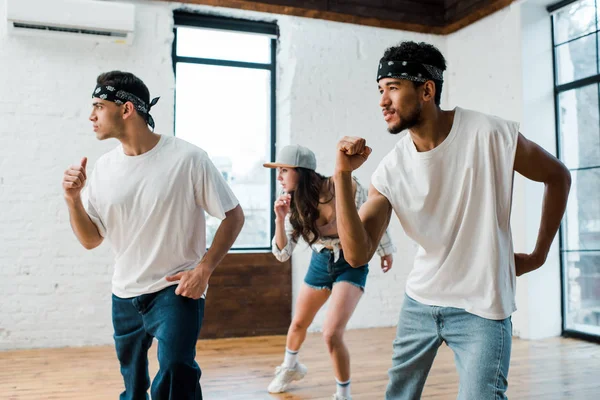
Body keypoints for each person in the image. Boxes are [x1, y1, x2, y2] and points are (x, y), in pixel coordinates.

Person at [333, 41, 571, 399]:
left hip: (483, 307)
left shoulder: (489, 134)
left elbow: (558, 176)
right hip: (420, 302)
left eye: (393, 88)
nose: (383, 101)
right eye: (381, 90)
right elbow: (356, 255)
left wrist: (538, 255)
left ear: (427, 90)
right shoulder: (391, 170)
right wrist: (341, 175)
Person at [62, 71, 244, 400]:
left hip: (177, 289)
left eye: (98, 106)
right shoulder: (104, 168)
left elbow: (233, 215)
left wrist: (203, 269)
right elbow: (91, 239)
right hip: (125, 294)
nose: (91, 115)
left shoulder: (188, 159)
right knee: (133, 389)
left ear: (127, 109)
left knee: (176, 370)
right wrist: (73, 200)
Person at [263, 144, 396, 400]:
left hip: (351, 262)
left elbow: (369, 217)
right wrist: (279, 219)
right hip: (320, 261)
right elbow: (282, 254)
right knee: (299, 323)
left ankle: (343, 395)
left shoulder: (343, 185)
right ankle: (290, 367)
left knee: (331, 333)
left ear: (301, 171)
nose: (278, 176)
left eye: (283, 170)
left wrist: (384, 250)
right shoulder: (291, 202)